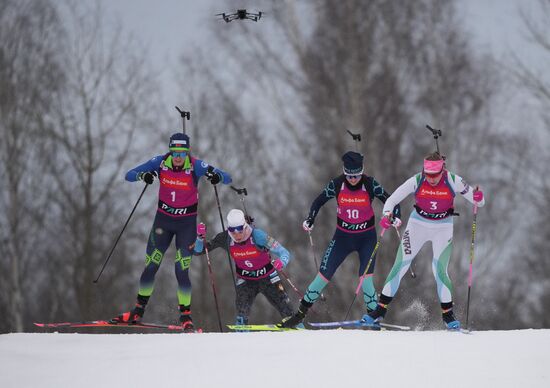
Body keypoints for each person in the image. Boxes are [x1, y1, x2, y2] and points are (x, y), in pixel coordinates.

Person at [112, 132, 232, 332]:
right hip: (163, 223)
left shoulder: (196, 166)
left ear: (187, 153)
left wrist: (215, 175)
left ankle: (185, 316)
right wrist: (145, 175)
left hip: (186, 226)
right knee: (151, 266)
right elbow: (129, 174)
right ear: (170, 151)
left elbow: (227, 178)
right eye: (174, 152)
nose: (178, 157)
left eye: (182, 153)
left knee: (181, 270)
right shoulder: (160, 163)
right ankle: (137, 312)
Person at [361, 151, 485, 330]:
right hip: (417, 225)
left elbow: (477, 201)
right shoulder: (417, 180)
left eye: (435, 175)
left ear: (442, 170)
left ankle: (448, 316)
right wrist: (386, 215)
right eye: (428, 175)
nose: (432, 179)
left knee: (439, 270)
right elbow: (392, 199)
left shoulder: (453, 180)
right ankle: (379, 311)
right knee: (400, 265)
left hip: (442, 228)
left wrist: (478, 198)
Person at [280, 151, 401, 328]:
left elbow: (391, 201)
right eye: (349, 176)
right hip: (342, 238)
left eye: (357, 175)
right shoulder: (337, 184)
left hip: (366, 238)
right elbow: (318, 201)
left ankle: (374, 318)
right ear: (345, 173)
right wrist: (310, 219)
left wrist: (395, 215)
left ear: (362, 172)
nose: (353, 179)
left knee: (366, 281)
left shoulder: (369, 183)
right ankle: (299, 316)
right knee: (322, 276)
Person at [193, 209, 295, 327]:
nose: (237, 235)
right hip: (245, 280)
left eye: (240, 230)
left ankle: (297, 330)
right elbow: (199, 251)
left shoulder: (258, 235)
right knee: (241, 315)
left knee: (287, 311)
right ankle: (241, 336)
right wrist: (200, 238)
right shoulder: (225, 238)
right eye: (232, 231)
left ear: (245, 226)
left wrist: (282, 262)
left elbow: (284, 252)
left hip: (268, 277)